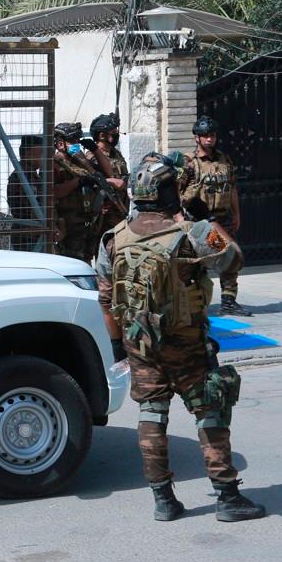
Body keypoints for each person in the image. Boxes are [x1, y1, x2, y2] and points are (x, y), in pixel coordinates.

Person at [96, 152, 266, 523]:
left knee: (152, 412)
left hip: (139, 343)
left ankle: (163, 500)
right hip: (186, 342)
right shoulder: (191, 233)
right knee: (209, 410)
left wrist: (116, 347)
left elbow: (106, 300)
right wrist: (202, 221)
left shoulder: (114, 238)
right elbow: (233, 258)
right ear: (166, 193)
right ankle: (226, 497)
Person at [178, 115, 249, 316]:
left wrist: (237, 214)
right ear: (197, 138)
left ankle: (228, 300)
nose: (209, 139)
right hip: (203, 222)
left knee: (229, 258)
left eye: (212, 135)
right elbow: (178, 192)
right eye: (205, 136)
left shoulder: (224, 160)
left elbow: (232, 188)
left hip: (223, 218)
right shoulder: (190, 163)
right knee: (201, 262)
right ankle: (195, 301)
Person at [52, 122, 108, 262]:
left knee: (87, 263)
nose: (77, 144)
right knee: (73, 264)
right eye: (72, 141)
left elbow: (108, 171)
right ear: (60, 144)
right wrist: (78, 182)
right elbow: (53, 193)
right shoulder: (54, 166)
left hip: (88, 224)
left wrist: (95, 149)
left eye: (78, 140)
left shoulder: (81, 163)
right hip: (69, 225)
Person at [88, 111, 130, 250]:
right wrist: (110, 182)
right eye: (113, 132)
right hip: (103, 216)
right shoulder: (92, 156)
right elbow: (90, 180)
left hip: (120, 211)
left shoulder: (116, 153)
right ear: (102, 135)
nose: (117, 134)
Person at [8, 134, 50, 251]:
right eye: (40, 152)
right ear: (27, 154)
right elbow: (29, 207)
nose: (43, 157)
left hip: (34, 233)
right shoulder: (22, 177)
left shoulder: (31, 175)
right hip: (28, 234)